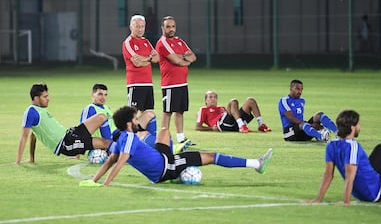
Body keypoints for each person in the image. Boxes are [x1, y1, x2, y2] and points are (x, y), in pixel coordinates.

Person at [79, 106, 273, 187]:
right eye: (136, 118)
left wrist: (93, 181)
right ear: (130, 123)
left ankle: (177, 163)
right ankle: (257, 164)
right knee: (211, 156)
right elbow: (119, 162)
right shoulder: (129, 138)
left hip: (162, 159)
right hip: (166, 167)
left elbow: (109, 162)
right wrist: (105, 185)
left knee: (164, 131)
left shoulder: (121, 138)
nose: (138, 120)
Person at [306, 110, 381, 205]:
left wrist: (318, 199)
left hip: (362, 191)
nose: (359, 127)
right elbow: (350, 176)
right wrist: (346, 202)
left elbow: (328, 175)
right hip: (374, 191)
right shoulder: (353, 146)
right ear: (352, 127)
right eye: (358, 124)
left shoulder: (331, 145)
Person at [15, 83, 115, 165]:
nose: (48, 99)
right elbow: (24, 137)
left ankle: (117, 152)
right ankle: (118, 154)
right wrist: (18, 161)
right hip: (66, 143)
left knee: (102, 119)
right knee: (104, 137)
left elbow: (34, 134)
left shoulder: (40, 111)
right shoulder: (30, 112)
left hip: (70, 134)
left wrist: (32, 158)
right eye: (45, 97)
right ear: (36, 98)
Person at [155, 15, 196, 147]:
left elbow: (193, 56)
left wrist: (183, 58)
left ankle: (181, 138)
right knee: (168, 112)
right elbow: (177, 61)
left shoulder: (179, 41)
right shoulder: (162, 43)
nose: (171, 29)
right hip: (170, 84)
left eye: (173, 26)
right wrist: (184, 59)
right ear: (162, 28)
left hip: (182, 82)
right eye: (168, 26)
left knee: (180, 111)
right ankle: (163, 140)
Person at [122, 14, 159, 113]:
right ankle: (130, 129)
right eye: (137, 26)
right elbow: (136, 63)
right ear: (131, 27)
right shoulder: (128, 42)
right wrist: (150, 59)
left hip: (148, 83)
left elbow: (157, 58)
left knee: (147, 113)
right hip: (135, 83)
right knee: (133, 113)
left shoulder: (145, 41)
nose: (140, 29)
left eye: (142, 26)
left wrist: (145, 59)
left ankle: (142, 129)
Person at [196, 90, 272, 133]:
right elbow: (198, 127)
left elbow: (231, 115)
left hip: (234, 125)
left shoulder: (221, 108)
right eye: (210, 97)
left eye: (215, 97)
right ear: (205, 100)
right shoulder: (203, 109)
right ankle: (241, 126)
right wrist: (211, 129)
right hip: (222, 125)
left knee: (250, 101)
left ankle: (261, 124)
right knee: (233, 101)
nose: (213, 99)